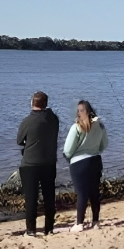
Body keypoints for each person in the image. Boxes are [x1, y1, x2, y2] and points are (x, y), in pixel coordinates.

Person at [17, 91, 60, 237]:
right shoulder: (53, 119)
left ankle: (31, 229)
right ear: (45, 104)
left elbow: (19, 141)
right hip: (49, 163)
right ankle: (49, 227)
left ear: (32, 103)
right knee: (49, 196)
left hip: (30, 164)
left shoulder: (27, 121)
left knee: (31, 198)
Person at [63, 100, 108, 232]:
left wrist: (69, 156)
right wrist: (94, 149)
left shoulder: (76, 127)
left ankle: (79, 223)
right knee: (94, 192)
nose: (77, 112)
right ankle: (95, 221)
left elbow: (68, 150)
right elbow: (104, 145)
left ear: (84, 112)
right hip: (95, 160)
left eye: (79, 110)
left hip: (79, 163)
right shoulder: (100, 126)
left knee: (82, 193)